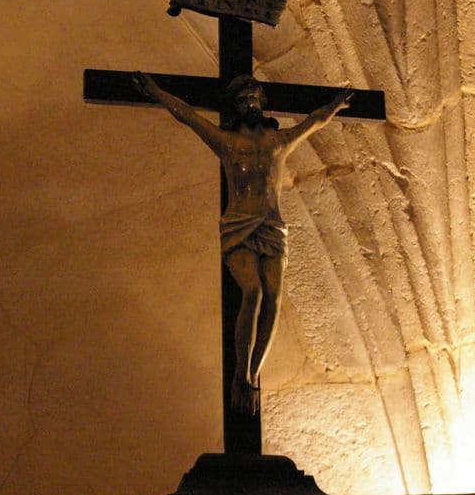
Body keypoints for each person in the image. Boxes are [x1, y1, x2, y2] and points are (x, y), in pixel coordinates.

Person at [134, 72, 352, 414]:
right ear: (235, 108)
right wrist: (157, 93)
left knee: (274, 297)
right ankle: (241, 372)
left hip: (271, 226)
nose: (249, 104)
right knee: (253, 291)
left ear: (262, 102)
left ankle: (252, 374)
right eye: (242, 100)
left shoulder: (279, 142)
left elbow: (314, 121)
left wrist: (336, 104)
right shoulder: (226, 142)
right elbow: (187, 116)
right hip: (239, 225)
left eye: (253, 97)